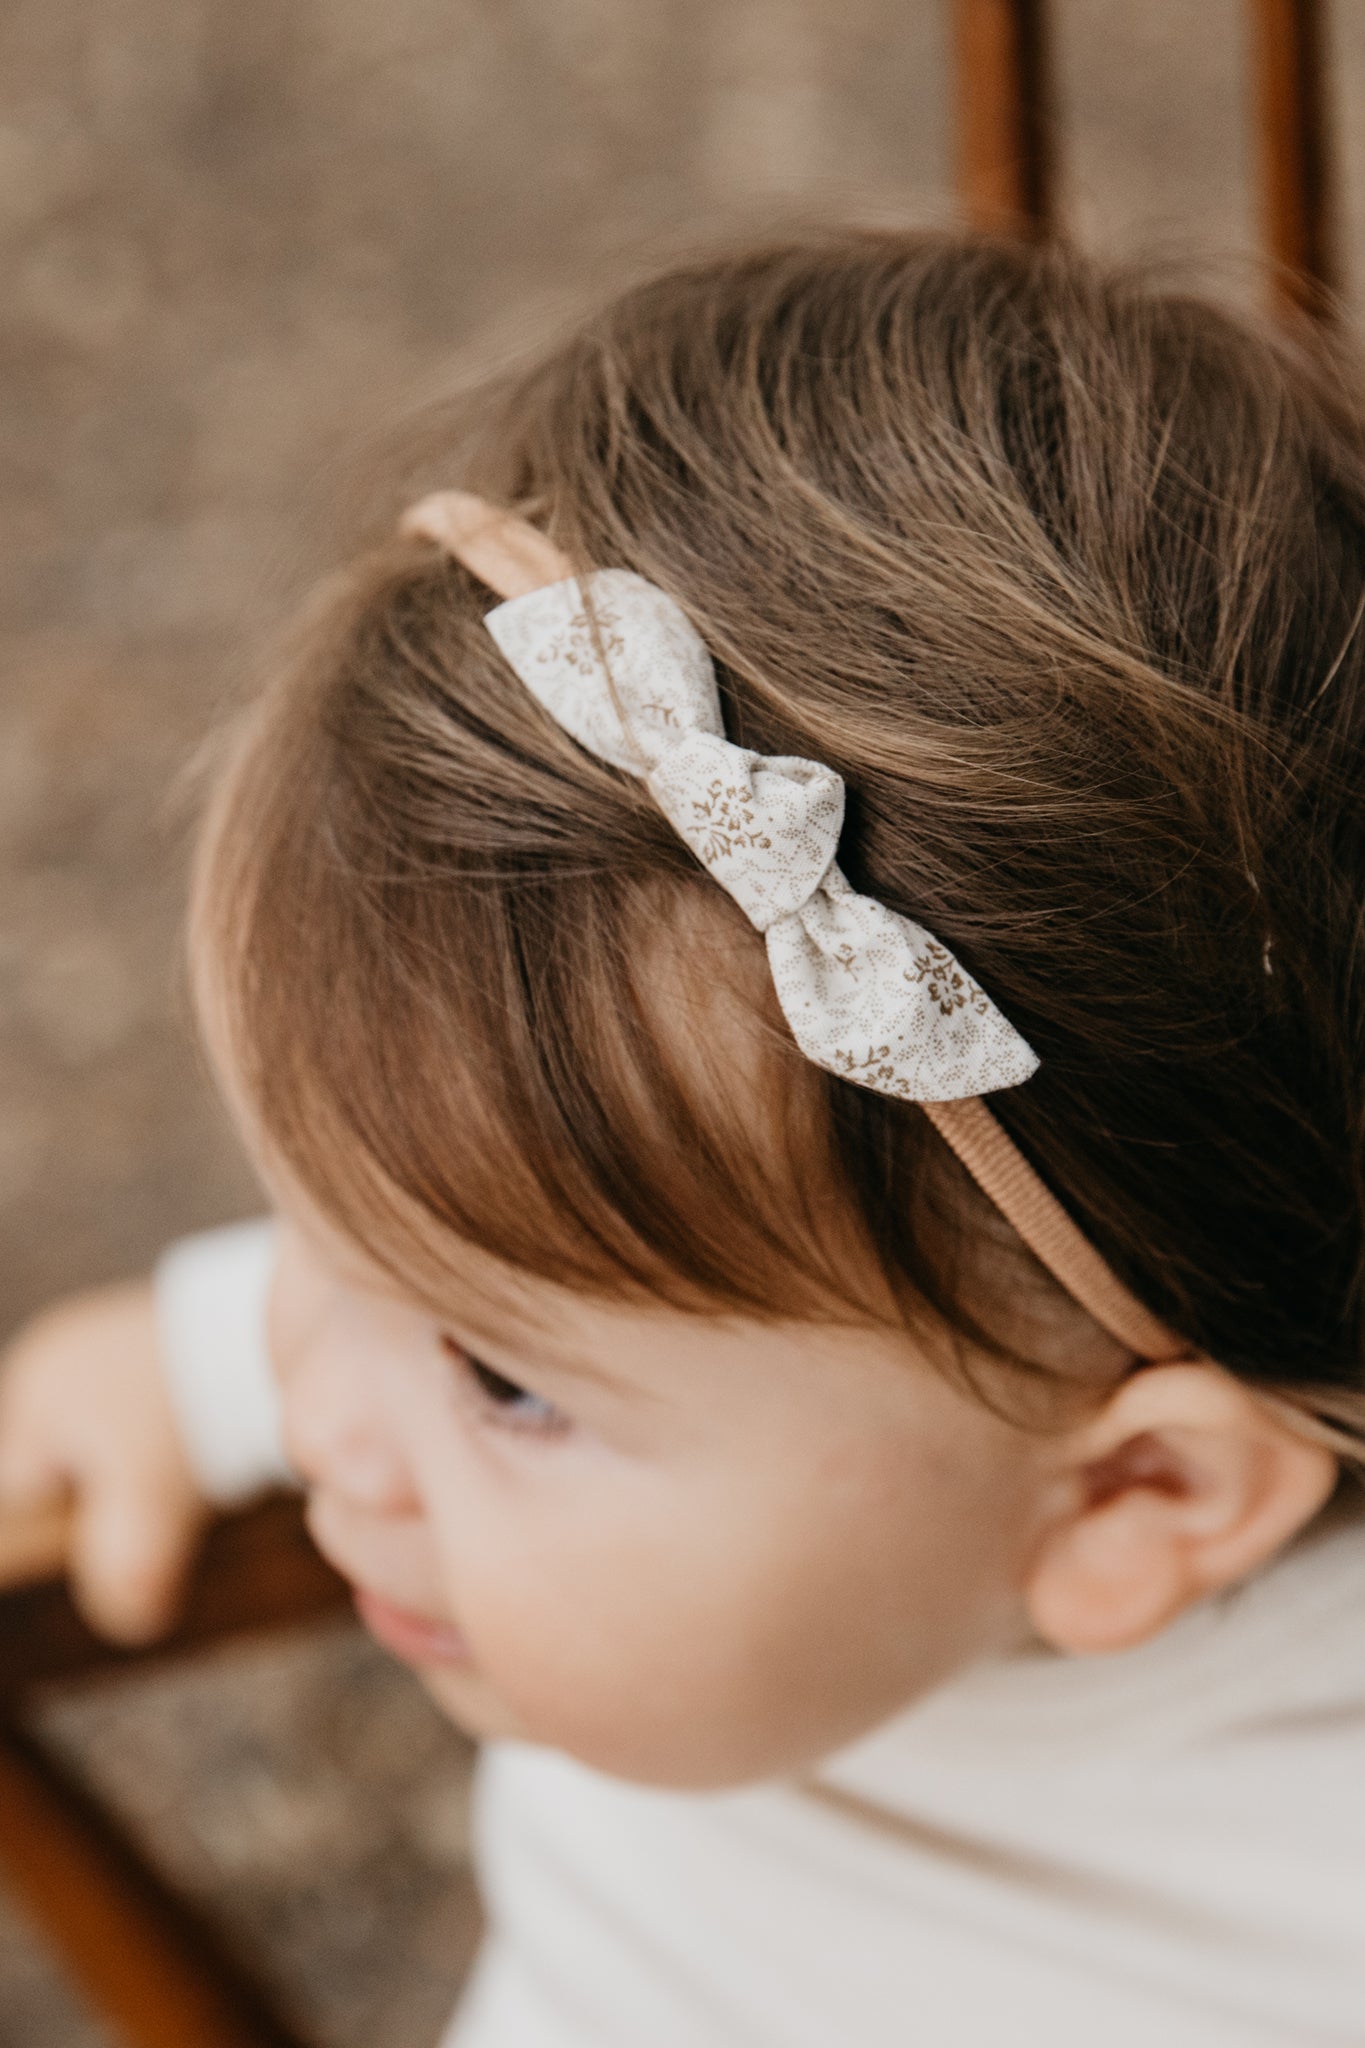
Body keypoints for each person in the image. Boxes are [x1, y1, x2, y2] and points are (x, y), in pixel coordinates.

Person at [2, 230, 1364, 2046]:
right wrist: (181, 1362)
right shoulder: (813, 1441)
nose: (322, 1419)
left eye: (499, 1382)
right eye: (317, 1234)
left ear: (1133, 1500)